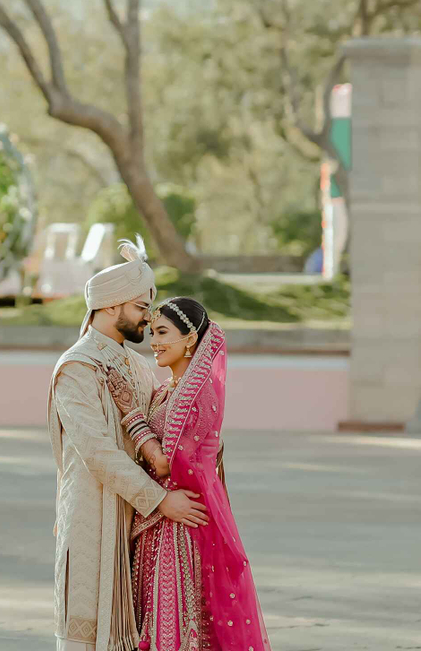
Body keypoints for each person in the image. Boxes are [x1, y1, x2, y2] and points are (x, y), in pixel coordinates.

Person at [50, 241, 208, 651]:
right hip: (94, 517)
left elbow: (163, 437)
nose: (148, 319)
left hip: (140, 526)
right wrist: (160, 500)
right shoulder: (77, 368)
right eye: (140, 307)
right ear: (110, 306)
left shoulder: (138, 366)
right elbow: (97, 452)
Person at [113, 296, 270, 651]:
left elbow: (166, 463)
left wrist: (132, 418)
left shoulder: (196, 395)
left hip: (179, 524)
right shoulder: (169, 389)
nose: (154, 342)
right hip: (161, 516)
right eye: (152, 333)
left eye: (162, 332)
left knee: (172, 622)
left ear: (190, 339)